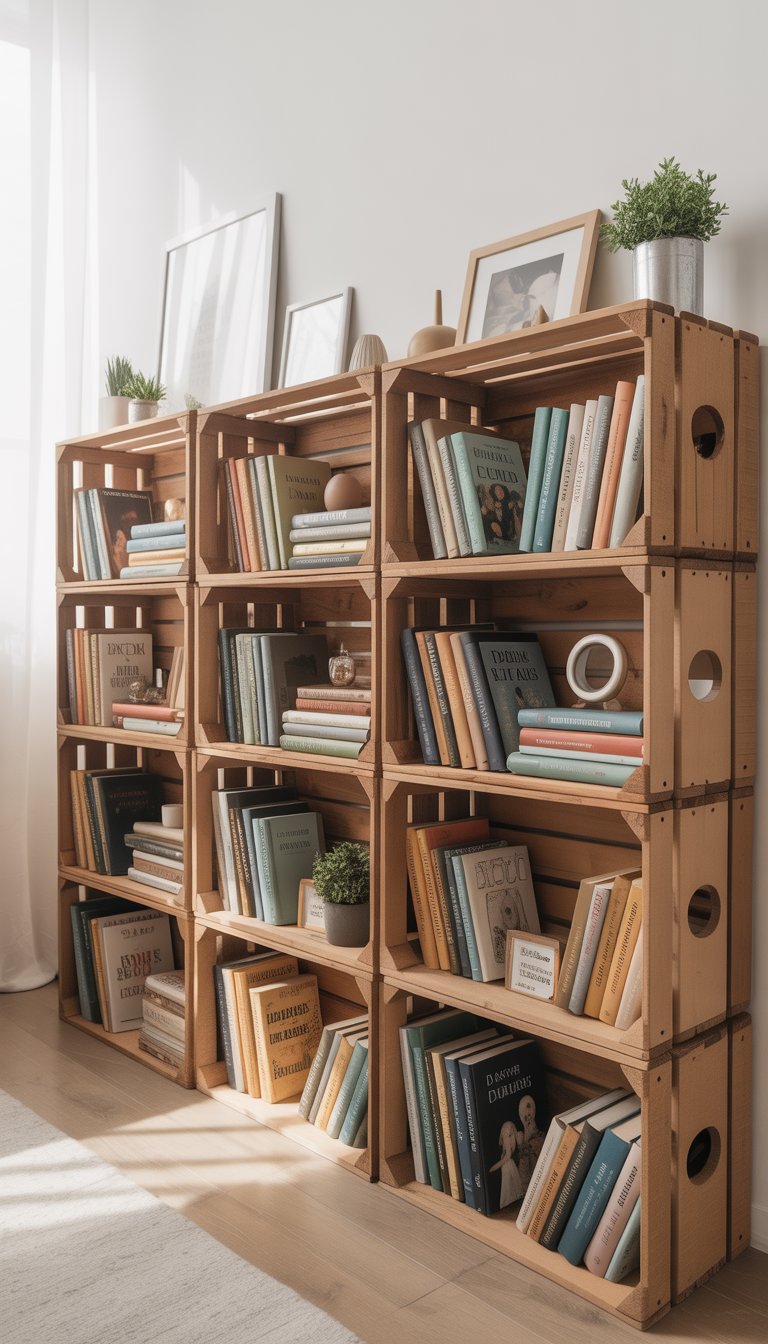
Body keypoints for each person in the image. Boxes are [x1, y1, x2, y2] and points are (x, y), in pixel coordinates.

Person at [489, 1119, 523, 1207]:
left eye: (511, 1135)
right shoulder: (505, 1158)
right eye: (505, 1137)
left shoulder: (518, 1153)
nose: (509, 1141)